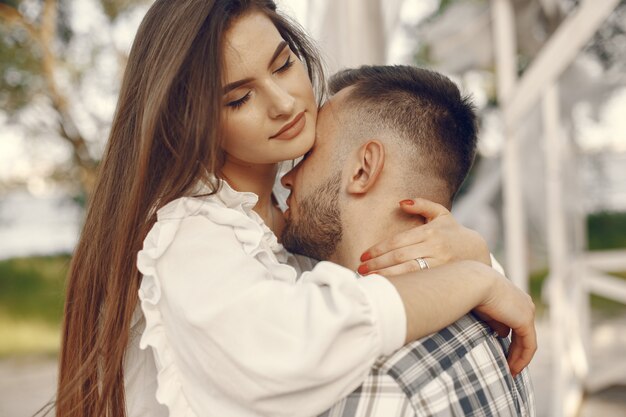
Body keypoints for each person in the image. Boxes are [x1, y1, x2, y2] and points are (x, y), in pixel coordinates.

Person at [55, 1, 536, 417]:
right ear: (192, 120)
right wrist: (477, 279)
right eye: (240, 97)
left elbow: (372, 259)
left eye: (283, 65)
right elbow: (294, 345)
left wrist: (472, 253)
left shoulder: (291, 221)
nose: (284, 103)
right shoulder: (191, 233)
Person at [280, 65, 535, 417]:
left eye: (308, 155)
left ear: (363, 169)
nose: (288, 178)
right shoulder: (489, 323)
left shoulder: (368, 373)